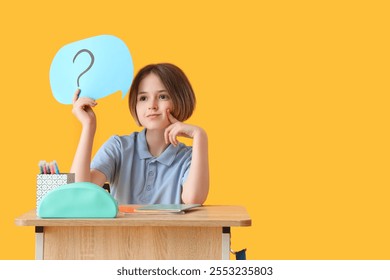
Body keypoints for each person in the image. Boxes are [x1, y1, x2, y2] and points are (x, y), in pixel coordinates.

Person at [70, 63, 209, 205]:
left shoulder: (188, 157)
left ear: (180, 100)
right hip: (124, 228)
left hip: (168, 228)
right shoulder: (119, 147)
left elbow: (194, 199)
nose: (152, 105)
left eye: (162, 96)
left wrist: (200, 136)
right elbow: (78, 194)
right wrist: (88, 126)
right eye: (143, 98)